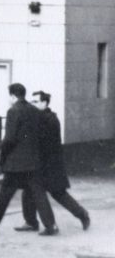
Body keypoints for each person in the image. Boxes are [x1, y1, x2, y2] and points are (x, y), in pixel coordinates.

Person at [0, 83, 57, 236]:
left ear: (12, 96)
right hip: (33, 160)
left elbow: (10, 138)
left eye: (9, 97)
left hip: (17, 162)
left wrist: (1, 150)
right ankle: (51, 225)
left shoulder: (13, 111)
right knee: (39, 193)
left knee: (5, 192)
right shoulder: (34, 111)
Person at [16, 91, 90, 232]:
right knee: (28, 191)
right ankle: (31, 222)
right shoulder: (37, 117)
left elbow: (42, 142)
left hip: (50, 165)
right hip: (39, 164)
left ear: (44, 103)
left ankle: (82, 215)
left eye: (36, 102)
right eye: (32, 102)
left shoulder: (50, 120)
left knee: (59, 194)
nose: (33, 104)